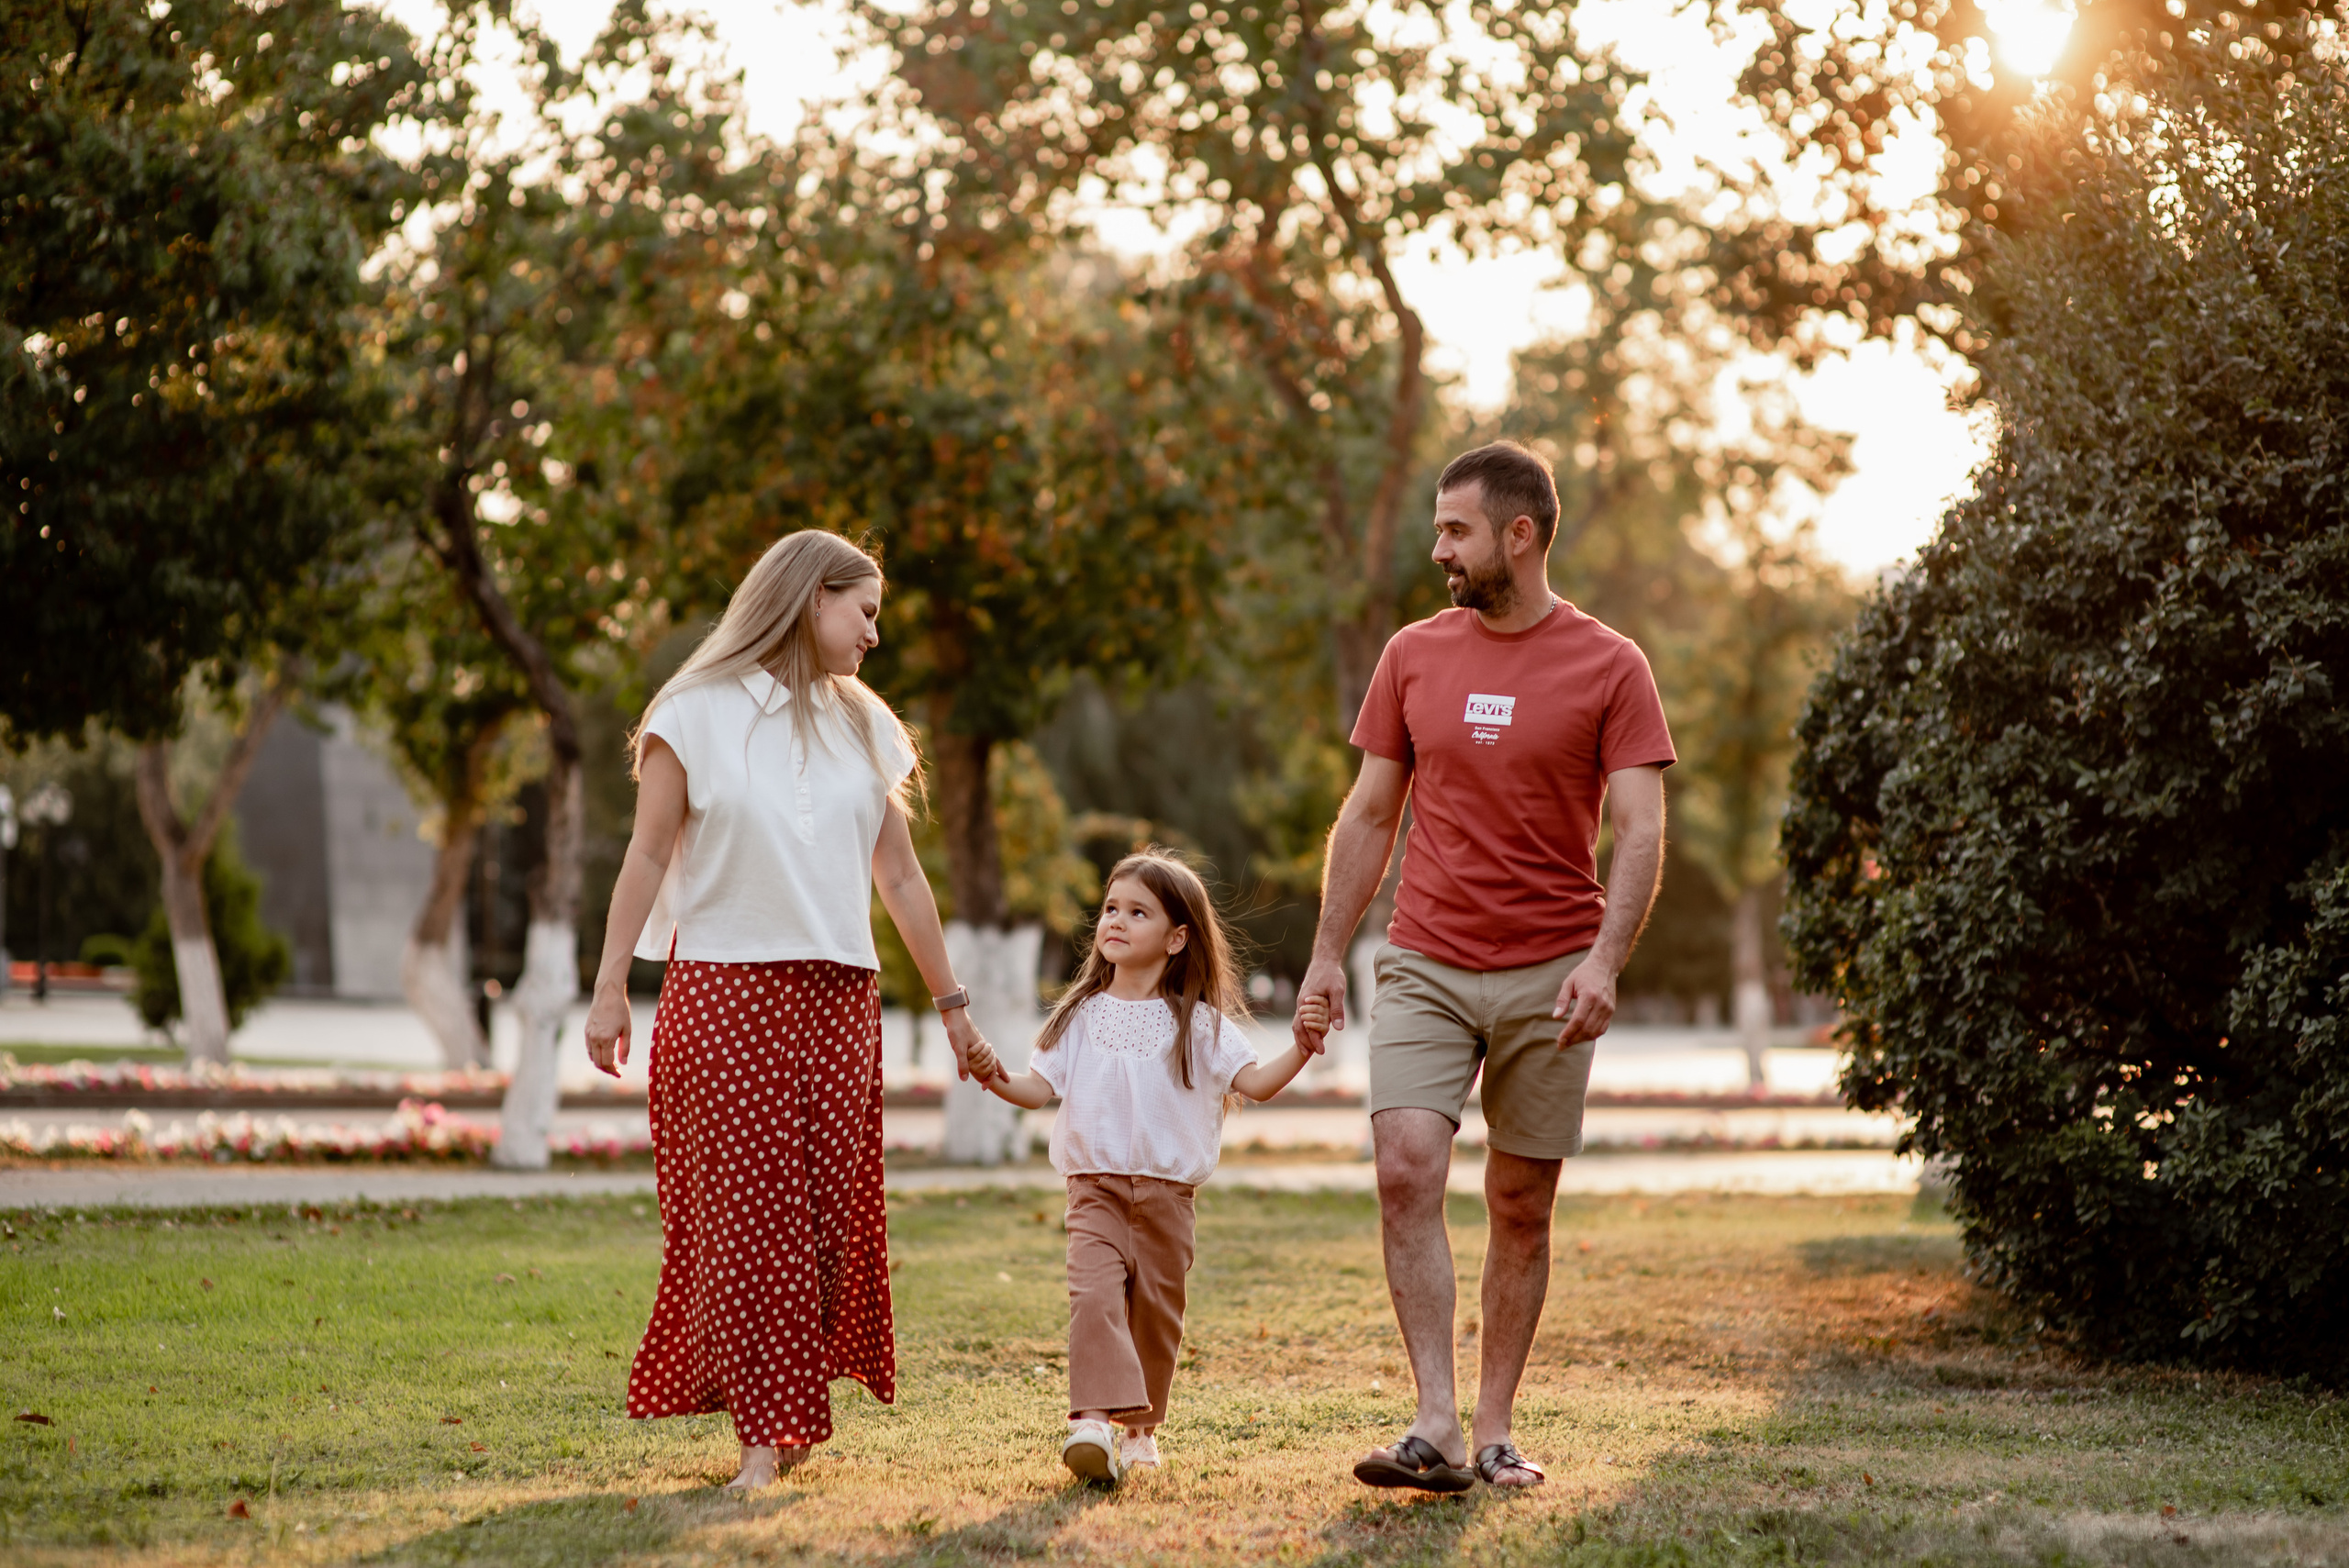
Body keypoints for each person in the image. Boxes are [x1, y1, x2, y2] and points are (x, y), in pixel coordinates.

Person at [1294, 440, 1675, 1494]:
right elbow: (1370, 812)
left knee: (1520, 1201)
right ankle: (1433, 1422)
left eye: (1455, 530)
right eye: (1435, 529)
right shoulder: (1413, 654)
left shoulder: (1611, 664)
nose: (1438, 550)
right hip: (1423, 956)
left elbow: (1640, 829)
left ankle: (1496, 1423)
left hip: (1553, 968)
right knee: (1403, 1167)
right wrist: (1328, 954)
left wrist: (1605, 961)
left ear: (1519, 533)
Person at [581, 529, 991, 1492]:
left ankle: (789, 1410)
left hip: (840, 998)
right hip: (725, 990)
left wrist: (954, 1004)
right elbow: (644, 857)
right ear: (812, 598)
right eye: (866, 610)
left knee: (818, 1219)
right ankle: (763, 1440)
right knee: (750, 1217)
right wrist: (608, 985)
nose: (874, 634)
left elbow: (897, 870)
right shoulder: (692, 713)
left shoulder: (864, 723)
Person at [968, 850, 1317, 1485]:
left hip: (1167, 1197)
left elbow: (1259, 1082)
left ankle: (1140, 1429)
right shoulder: (1077, 1016)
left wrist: (1302, 1043)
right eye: (1110, 908)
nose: (1116, 920)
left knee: (1155, 1316)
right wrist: (992, 1072)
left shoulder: (1201, 1024)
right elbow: (1035, 1087)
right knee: (1095, 1299)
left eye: (1137, 911)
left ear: (1178, 938)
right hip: (1093, 1190)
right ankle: (1092, 1424)